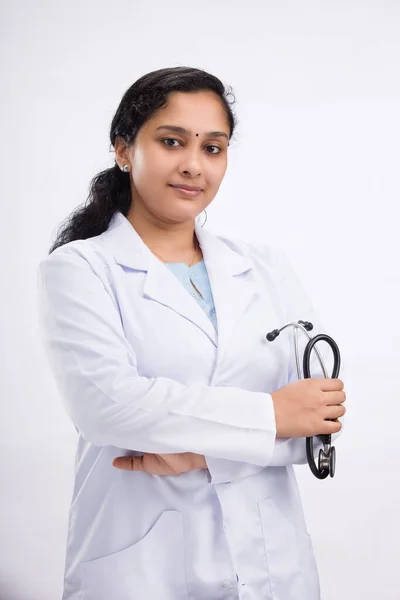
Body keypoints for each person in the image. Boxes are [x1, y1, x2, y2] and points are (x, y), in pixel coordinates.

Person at [37, 66, 346, 600]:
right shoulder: (80, 268)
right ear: (124, 150)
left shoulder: (265, 267)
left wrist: (200, 453)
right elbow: (108, 407)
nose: (193, 166)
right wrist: (271, 416)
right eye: (172, 141)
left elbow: (321, 425)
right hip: (144, 570)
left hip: (274, 568)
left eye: (213, 148)